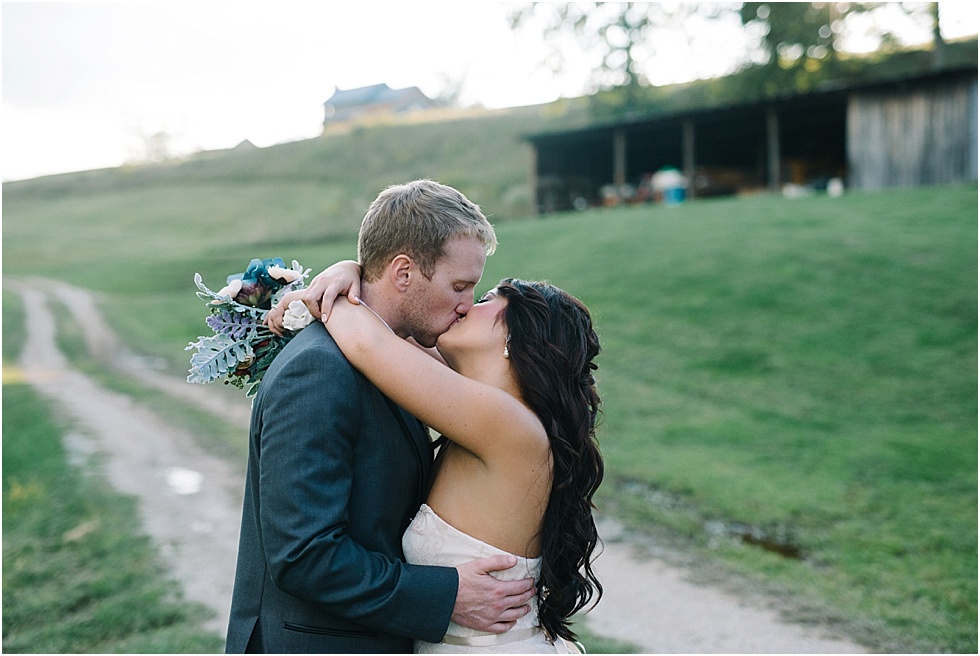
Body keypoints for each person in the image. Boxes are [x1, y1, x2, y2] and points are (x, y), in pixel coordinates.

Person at [225, 180, 538, 654]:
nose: (466, 305)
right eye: (459, 286)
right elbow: (304, 555)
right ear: (404, 272)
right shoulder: (318, 369)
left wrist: (350, 271)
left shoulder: (398, 362)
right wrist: (446, 597)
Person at [271, 265, 605, 652]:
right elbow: (387, 322)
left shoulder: (510, 425)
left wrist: (323, 294)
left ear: (515, 336)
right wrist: (349, 271)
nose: (462, 307)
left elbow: (369, 344)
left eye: (483, 300)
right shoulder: (484, 408)